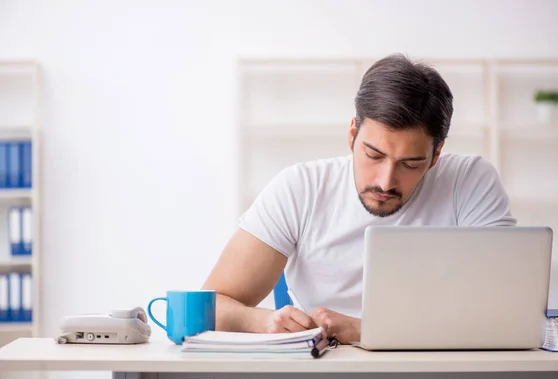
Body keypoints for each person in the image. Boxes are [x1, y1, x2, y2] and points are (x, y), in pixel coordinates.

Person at [201, 54, 516, 344]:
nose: (386, 181)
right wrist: (262, 321)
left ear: (436, 156)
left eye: (411, 163)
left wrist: (364, 330)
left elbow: (505, 311)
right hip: (328, 375)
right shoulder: (301, 188)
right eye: (374, 155)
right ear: (352, 135)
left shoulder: (470, 181)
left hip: (441, 373)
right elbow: (210, 306)